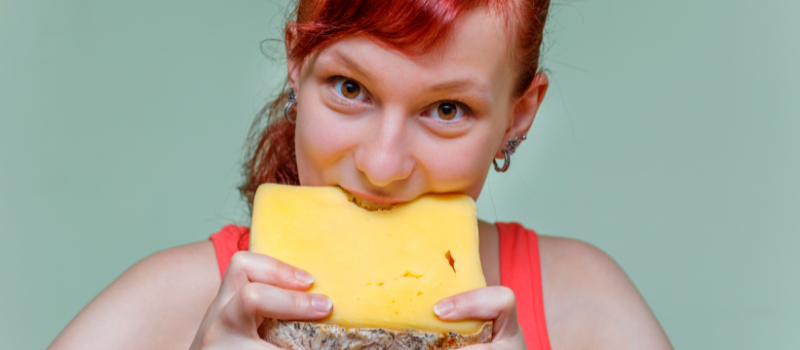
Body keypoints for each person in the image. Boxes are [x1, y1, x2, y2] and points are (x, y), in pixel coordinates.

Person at [49, 0, 672, 349]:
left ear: (519, 114)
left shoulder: (585, 312)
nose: (381, 164)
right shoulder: (168, 312)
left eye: (446, 109)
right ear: (298, 66)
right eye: (350, 88)